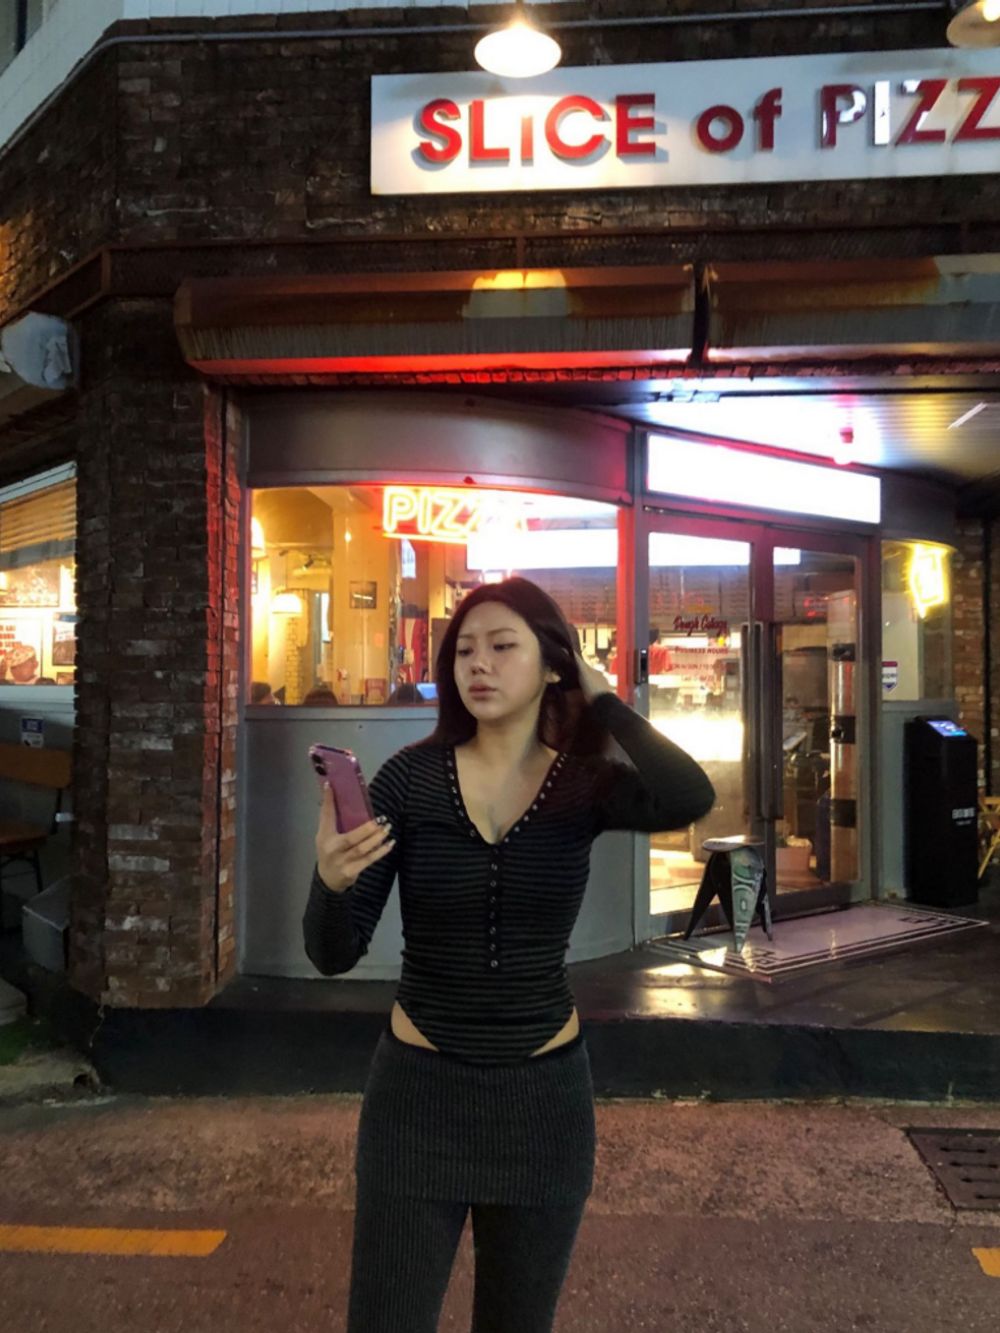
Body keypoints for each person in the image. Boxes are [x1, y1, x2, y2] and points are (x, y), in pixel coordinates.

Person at [302, 577, 714, 1333]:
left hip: (543, 1107)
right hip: (417, 1101)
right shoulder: (408, 780)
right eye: (464, 651)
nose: (478, 665)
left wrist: (603, 699)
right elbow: (334, 953)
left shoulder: (584, 785)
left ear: (553, 664)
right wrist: (329, 883)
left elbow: (689, 795)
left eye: (501, 646)